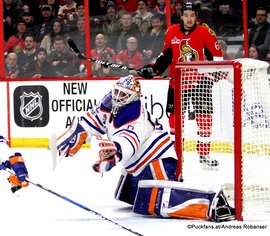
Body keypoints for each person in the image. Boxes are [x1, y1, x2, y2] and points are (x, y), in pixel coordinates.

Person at [54, 75, 235, 222]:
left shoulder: (135, 116)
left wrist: (113, 155)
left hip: (159, 162)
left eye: (123, 95)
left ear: (133, 98)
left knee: (153, 202)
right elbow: (91, 121)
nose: (117, 97)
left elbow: (128, 143)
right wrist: (78, 132)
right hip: (137, 167)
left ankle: (211, 201)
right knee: (127, 196)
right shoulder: (110, 103)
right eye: (116, 92)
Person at [138, 2, 224, 167]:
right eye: (186, 15)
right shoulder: (172, 31)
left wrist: (214, 74)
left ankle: (204, 155)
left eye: (192, 15)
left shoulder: (204, 32)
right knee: (175, 122)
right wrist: (153, 70)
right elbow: (167, 55)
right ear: (181, 16)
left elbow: (216, 55)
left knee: (205, 120)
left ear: (196, 16)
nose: (189, 19)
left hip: (200, 82)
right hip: (177, 82)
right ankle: (177, 155)